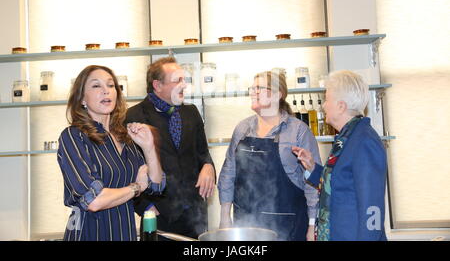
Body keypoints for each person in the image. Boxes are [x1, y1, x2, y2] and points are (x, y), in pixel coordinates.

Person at [57, 65, 165, 241]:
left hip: (124, 234)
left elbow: (156, 185)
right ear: (82, 98)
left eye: (110, 85)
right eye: (96, 86)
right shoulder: (73, 136)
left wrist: (149, 147)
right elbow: (93, 200)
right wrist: (135, 188)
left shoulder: (125, 137)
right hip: (89, 234)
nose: (106, 91)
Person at [218, 71, 321, 241]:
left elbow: (312, 183)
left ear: (277, 95)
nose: (252, 92)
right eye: (252, 88)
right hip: (246, 225)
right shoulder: (242, 129)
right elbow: (228, 173)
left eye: (259, 88)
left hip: (288, 226)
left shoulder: (298, 131)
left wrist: (312, 225)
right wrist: (224, 217)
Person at [126, 57, 216, 239]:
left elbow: (202, 152)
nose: (184, 85)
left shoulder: (191, 112)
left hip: (194, 213)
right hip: (158, 213)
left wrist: (208, 166)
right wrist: (145, 206)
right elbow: (130, 166)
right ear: (157, 85)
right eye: (177, 81)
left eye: (184, 80)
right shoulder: (134, 115)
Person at [293, 70, 387, 241]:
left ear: (341, 106)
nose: (323, 105)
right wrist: (313, 168)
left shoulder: (365, 141)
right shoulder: (347, 137)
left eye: (327, 99)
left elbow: (372, 208)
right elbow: (341, 184)